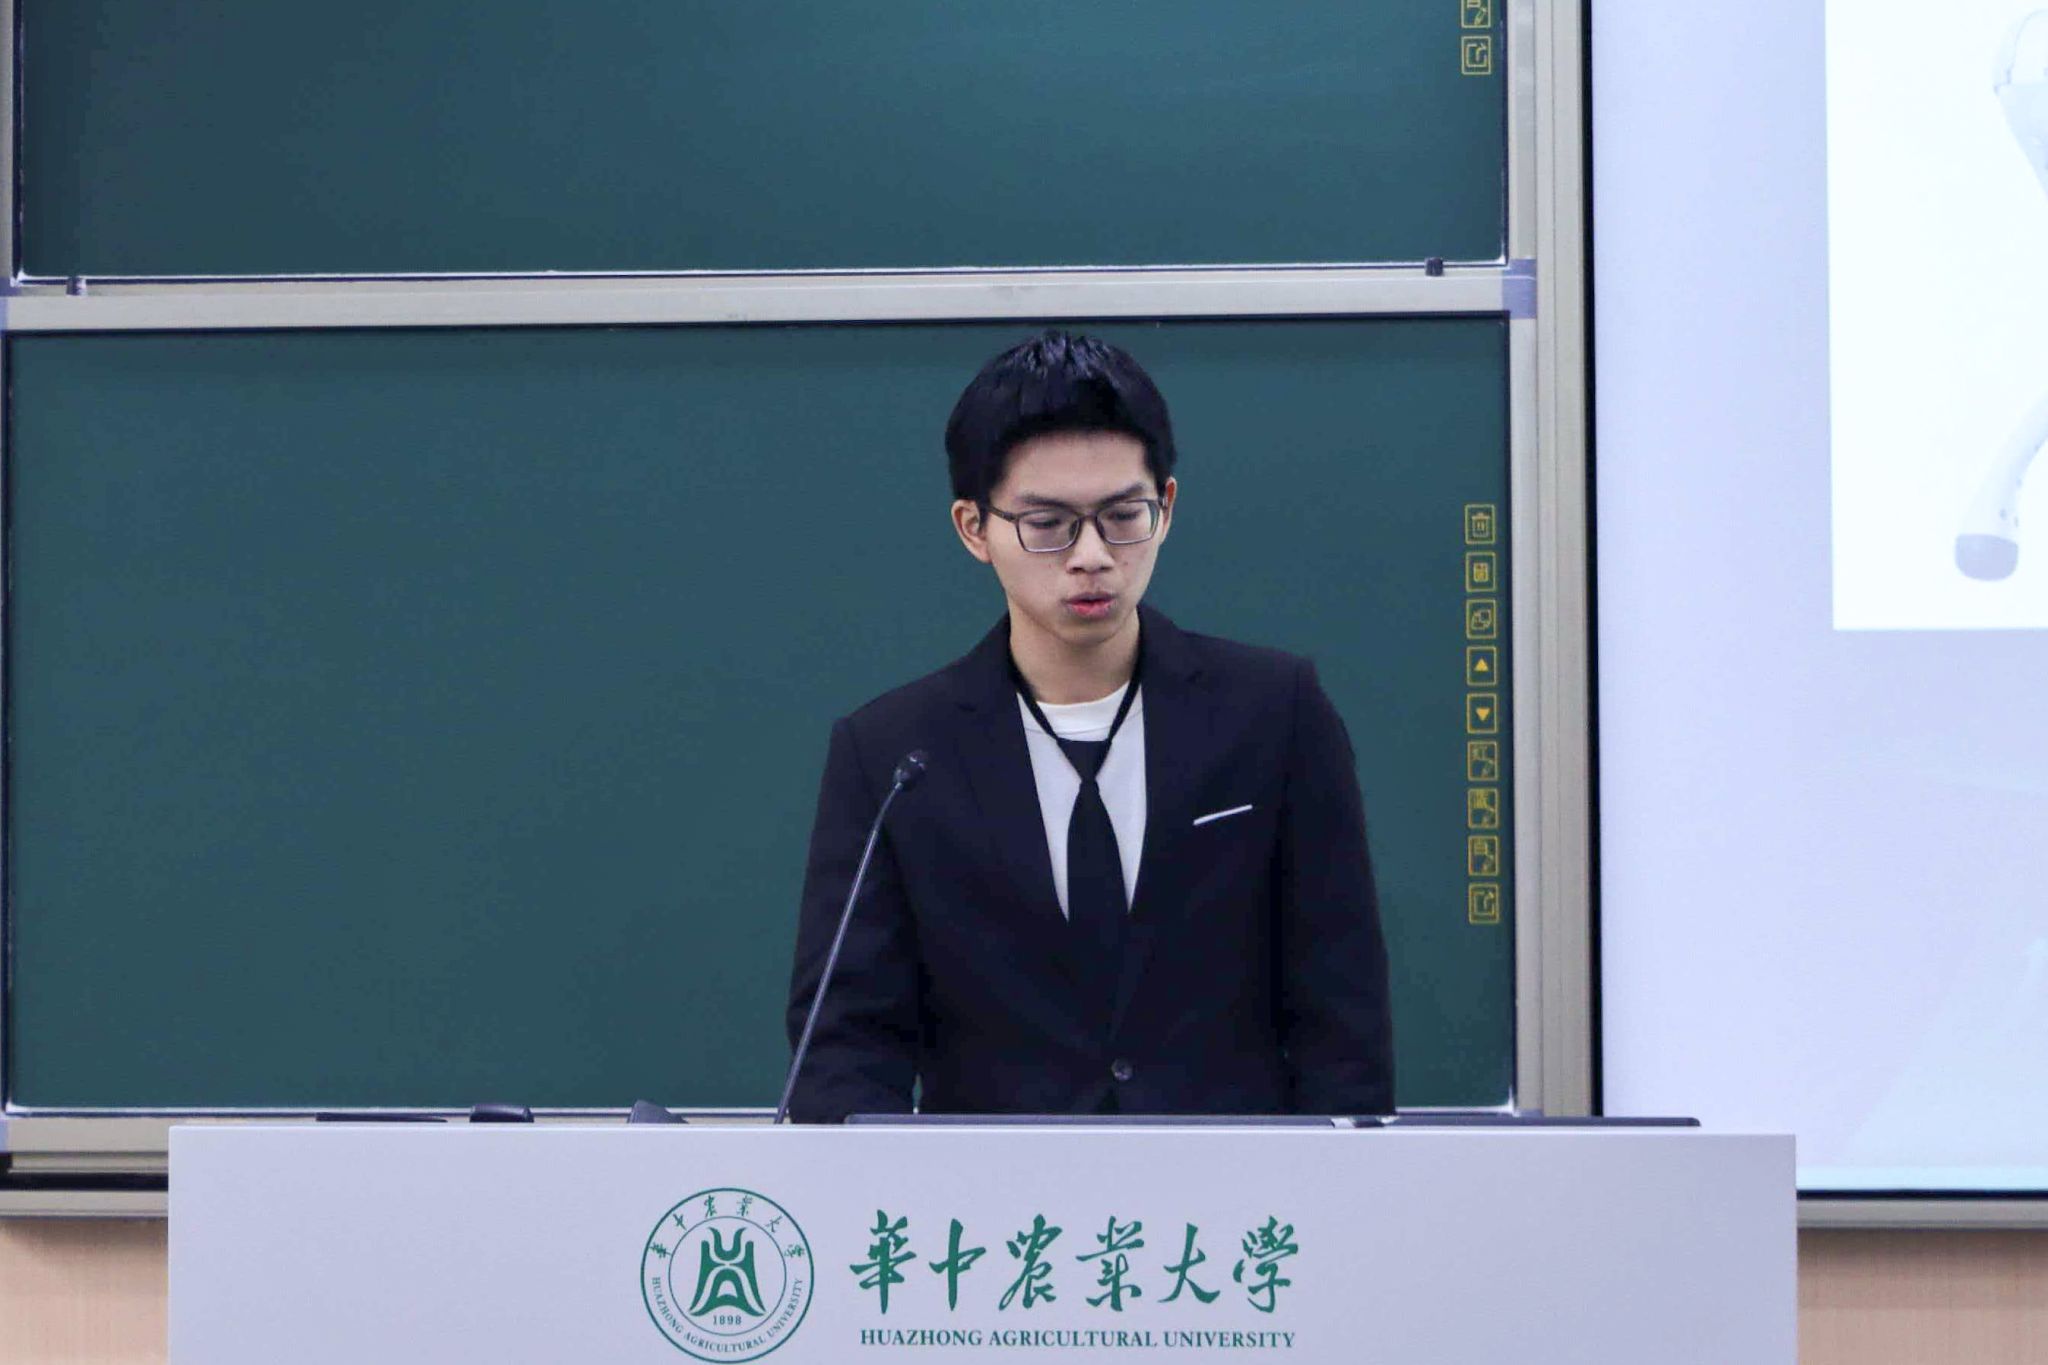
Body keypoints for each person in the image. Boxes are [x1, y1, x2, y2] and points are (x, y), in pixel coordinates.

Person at [783, 330, 1393, 1121]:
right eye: (1049, 523)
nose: (1093, 555)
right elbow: (845, 1048)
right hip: (994, 1193)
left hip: (1232, 1187)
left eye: (1123, 515)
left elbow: (1342, 1018)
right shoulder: (894, 753)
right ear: (974, 527)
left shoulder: (1276, 713)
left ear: (1166, 507)